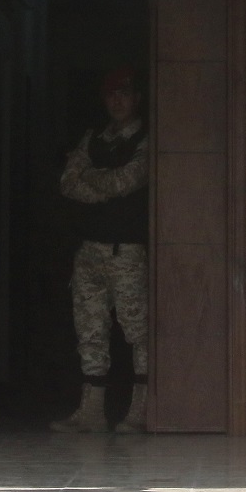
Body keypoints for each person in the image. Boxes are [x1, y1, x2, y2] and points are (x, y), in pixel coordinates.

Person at [50, 66, 151, 434]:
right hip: (90, 249)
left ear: (137, 98)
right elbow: (68, 182)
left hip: (127, 251)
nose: (117, 100)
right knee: (90, 330)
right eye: (111, 94)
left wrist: (92, 178)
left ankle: (142, 409)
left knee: (137, 330)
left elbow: (127, 180)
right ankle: (91, 411)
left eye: (124, 93)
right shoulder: (93, 138)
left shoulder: (146, 138)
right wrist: (102, 187)